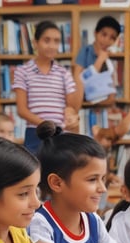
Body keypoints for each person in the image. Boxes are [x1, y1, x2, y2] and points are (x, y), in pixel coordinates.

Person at [13, 20, 80, 155]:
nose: (52, 45)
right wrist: (47, 125)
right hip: (35, 132)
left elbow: (72, 106)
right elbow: (22, 110)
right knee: (35, 171)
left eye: (56, 41)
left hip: (59, 133)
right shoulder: (23, 71)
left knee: (58, 171)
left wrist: (72, 116)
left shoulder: (64, 73)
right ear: (35, 43)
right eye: (47, 40)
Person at [74, 15, 121, 108]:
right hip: (85, 107)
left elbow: (111, 93)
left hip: (103, 107)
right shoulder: (85, 51)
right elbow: (78, 80)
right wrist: (100, 60)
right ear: (95, 33)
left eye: (112, 38)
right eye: (104, 34)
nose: (107, 40)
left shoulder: (109, 59)